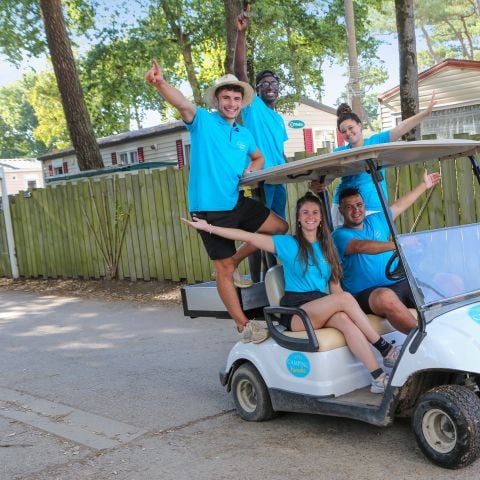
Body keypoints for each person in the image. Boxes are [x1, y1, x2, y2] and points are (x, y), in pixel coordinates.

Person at [183, 192, 402, 394]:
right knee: (345, 300)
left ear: (320, 218)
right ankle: (384, 349)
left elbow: (335, 287)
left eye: (315, 212)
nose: (310, 216)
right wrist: (209, 227)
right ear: (298, 218)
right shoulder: (287, 243)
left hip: (318, 305)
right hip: (296, 311)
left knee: (345, 320)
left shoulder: (328, 247)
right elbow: (246, 236)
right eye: (305, 212)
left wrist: (349, 308)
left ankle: (378, 378)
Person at [145, 60, 288, 339]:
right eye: (226, 98)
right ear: (217, 100)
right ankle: (243, 325)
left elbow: (258, 157)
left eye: (236, 98)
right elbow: (183, 104)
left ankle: (235, 260)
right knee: (222, 269)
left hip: (236, 201)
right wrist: (161, 84)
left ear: (241, 102)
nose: (231, 103)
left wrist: (252, 170)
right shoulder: (203, 122)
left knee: (280, 228)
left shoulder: (244, 134)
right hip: (209, 209)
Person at [332, 171, 441, 334]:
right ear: (340, 210)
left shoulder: (376, 221)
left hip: (398, 283)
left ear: (364, 205)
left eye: (359, 205)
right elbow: (360, 247)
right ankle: (425, 342)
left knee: (442, 285)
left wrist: (424, 185)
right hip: (366, 294)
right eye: (349, 207)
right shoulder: (339, 235)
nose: (356, 210)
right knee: (386, 297)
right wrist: (397, 245)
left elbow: (398, 206)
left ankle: (448, 334)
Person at [312, 93, 436, 228]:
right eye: (343, 131)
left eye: (350, 128)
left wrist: (425, 113)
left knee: (374, 244)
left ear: (360, 125)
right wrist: (319, 185)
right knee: (343, 245)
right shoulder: (340, 152)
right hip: (344, 206)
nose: (348, 133)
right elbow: (328, 177)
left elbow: (400, 129)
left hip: (374, 205)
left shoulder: (376, 142)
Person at [234, 5, 288, 219]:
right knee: (260, 232)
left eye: (273, 83)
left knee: (280, 228)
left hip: (279, 180)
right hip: (261, 179)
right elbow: (239, 72)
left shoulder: (279, 119)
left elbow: (280, 152)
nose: (270, 86)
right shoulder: (253, 107)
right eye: (264, 84)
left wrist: (295, 170)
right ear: (256, 90)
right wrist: (241, 33)